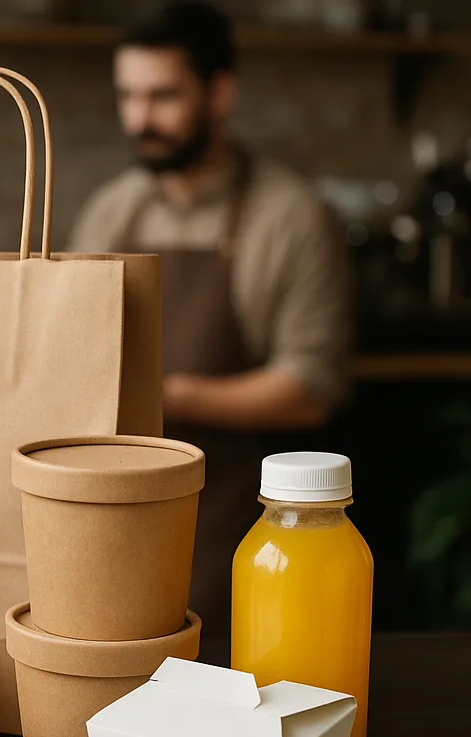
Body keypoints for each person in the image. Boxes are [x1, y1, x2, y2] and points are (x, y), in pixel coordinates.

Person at [69, 0, 352, 637]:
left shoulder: (290, 218)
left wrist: (165, 396)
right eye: (129, 96)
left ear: (220, 92)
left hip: (239, 527)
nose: (142, 118)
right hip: (113, 524)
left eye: (164, 95)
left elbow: (309, 389)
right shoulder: (110, 214)